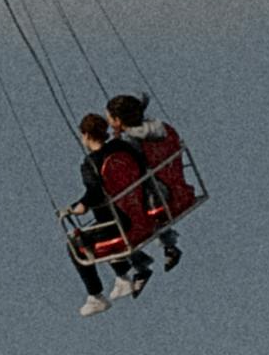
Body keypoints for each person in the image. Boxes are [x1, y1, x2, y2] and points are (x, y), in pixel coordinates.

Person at [66, 112, 150, 311]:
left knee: (75, 243)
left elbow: (95, 192)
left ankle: (95, 296)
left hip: (119, 223)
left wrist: (81, 206)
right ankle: (123, 277)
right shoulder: (121, 147)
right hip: (138, 210)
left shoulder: (91, 164)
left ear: (86, 135)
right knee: (98, 229)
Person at [105, 91, 194, 267]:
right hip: (172, 185)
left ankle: (137, 261)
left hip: (155, 193)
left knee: (118, 209)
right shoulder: (159, 129)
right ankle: (168, 246)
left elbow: (132, 167)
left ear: (118, 121)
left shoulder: (131, 141)